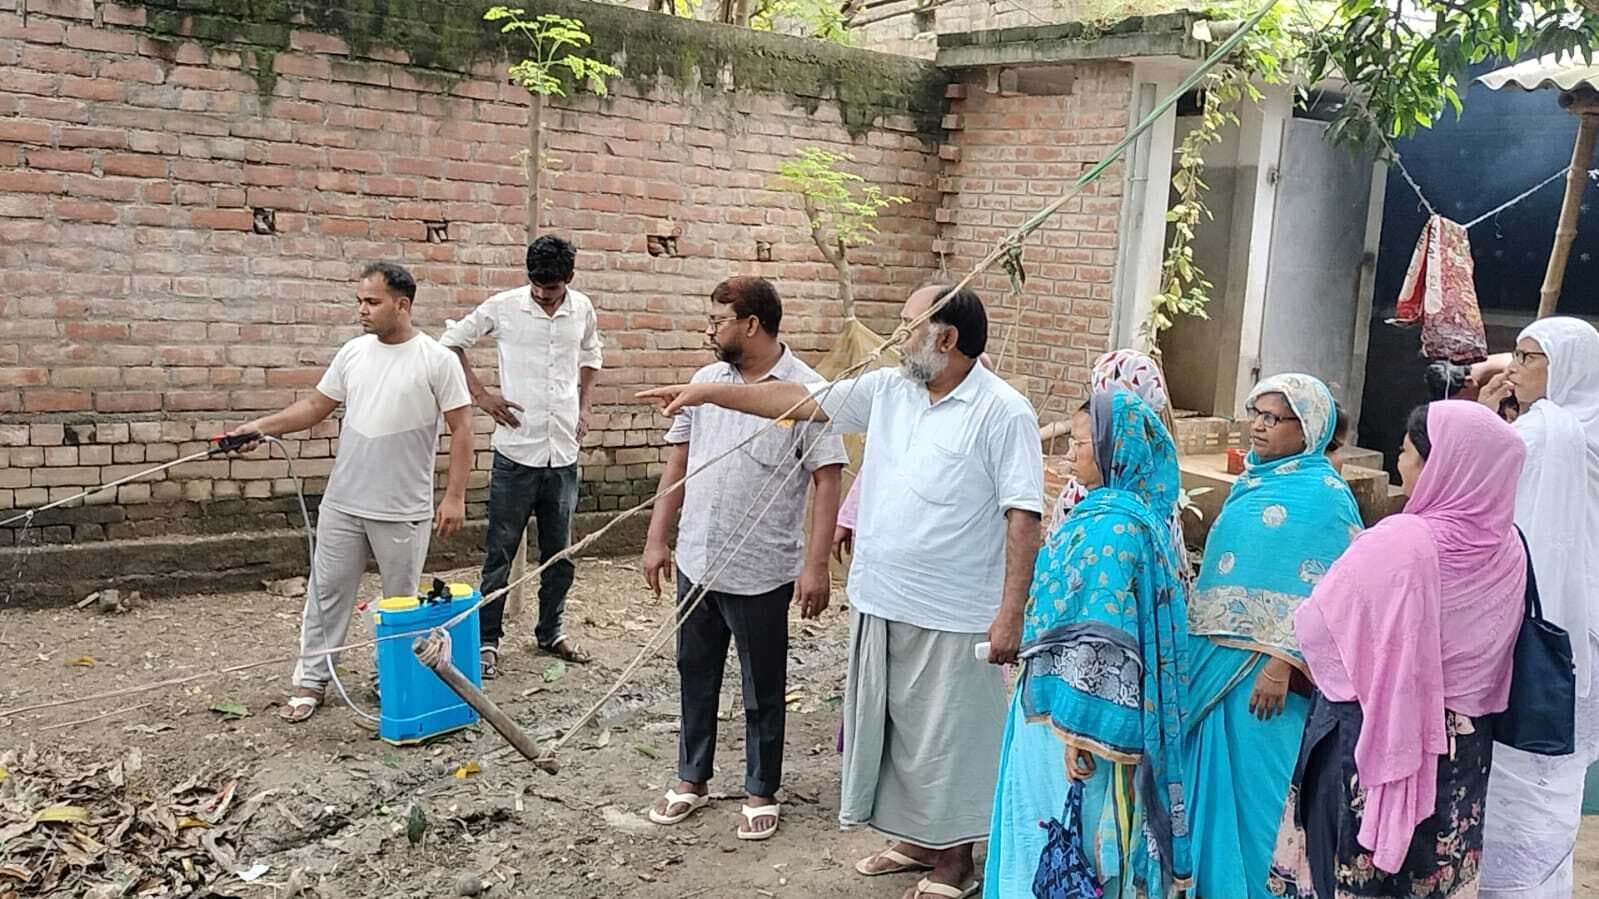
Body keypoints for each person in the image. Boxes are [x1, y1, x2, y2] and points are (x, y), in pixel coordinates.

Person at [640, 283, 1044, 899]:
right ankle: (915, 840)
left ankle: (954, 861)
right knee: (898, 733)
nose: (895, 336)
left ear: (946, 339)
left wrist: (1010, 613)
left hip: (954, 608)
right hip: (881, 595)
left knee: (949, 739)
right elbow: (799, 399)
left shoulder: (1003, 410)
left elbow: (1023, 515)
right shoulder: (890, 390)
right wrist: (707, 392)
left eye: (907, 324)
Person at [1269, 400, 1527, 898]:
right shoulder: (1509, 548)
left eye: (1408, 451)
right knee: (1434, 871)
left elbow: (1318, 627)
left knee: (1345, 873)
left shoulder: (1401, 542)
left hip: (1374, 741)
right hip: (1462, 751)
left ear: (1441, 465)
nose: (1399, 461)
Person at [639, 277, 847, 841]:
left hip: (763, 567)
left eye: (718, 321)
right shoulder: (704, 383)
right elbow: (677, 463)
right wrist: (658, 538)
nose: (709, 330)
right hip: (698, 558)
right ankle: (692, 777)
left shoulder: (808, 391)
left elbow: (828, 479)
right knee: (694, 671)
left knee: (763, 684)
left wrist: (816, 566)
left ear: (752, 324)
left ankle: (761, 789)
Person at [226, 262, 474, 723]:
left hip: (402, 507)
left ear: (402, 305)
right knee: (326, 592)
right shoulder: (353, 352)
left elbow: (462, 429)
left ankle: (389, 678)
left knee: (399, 600)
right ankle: (312, 680)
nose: (362, 310)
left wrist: (454, 496)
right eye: (359, 301)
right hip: (343, 501)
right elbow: (315, 406)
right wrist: (260, 428)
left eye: (372, 302)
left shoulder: (436, 360)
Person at [985, 389, 1192, 899]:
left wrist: (1079, 733)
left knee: (1066, 843)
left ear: (1112, 449)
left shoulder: (1113, 528)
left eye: (1080, 443)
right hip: (1064, 712)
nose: (1070, 454)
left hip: (1075, 729)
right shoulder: (1128, 516)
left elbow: (1103, 641)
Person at [1183, 374, 1363, 899]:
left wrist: (1281, 661)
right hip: (1214, 672)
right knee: (1213, 795)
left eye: (1273, 418)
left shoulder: (1327, 500)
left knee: (1263, 799)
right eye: (1255, 414)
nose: (1258, 426)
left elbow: (1333, 597)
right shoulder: (1250, 485)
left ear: (1308, 428)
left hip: (1271, 686)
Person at [441, 235, 603, 677]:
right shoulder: (504, 306)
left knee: (560, 554)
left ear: (569, 279)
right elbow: (451, 343)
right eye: (536, 286)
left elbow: (592, 354)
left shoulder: (582, 309)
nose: (543, 294)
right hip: (515, 453)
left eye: (551, 288)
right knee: (500, 553)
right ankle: (487, 640)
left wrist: (585, 406)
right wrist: (481, 396)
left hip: (563, 452)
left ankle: (551, 632)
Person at [1476, 316, 1599, 898]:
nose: (1515, 368)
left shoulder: (1546, 433)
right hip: (1580, 629)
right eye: (1517, 354)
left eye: (1529, 357)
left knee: (1517, 773)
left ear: (1566, 367)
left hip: (1529, 629)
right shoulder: (1577, 428)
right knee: (1554, 779)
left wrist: (1486, 420)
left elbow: (1470, 486)